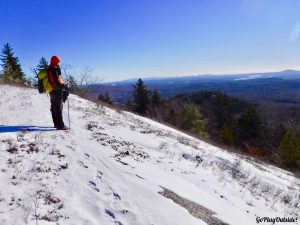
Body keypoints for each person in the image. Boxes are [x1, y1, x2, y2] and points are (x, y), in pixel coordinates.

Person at [47, 56, 69, 130]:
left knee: (53, 107)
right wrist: (63, 86)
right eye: (58, 61)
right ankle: (60, 125)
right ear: (55, 61)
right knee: (58, 108)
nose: (58, 62)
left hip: (51, 90)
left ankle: (56, 124)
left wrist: (58, 68)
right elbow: (56, 80)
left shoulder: (50, 68)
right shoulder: (54, 69)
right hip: (57, 90)